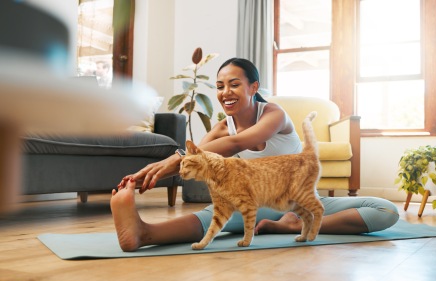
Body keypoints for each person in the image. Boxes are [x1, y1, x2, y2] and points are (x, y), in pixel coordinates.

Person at [110, 57, 399, 252]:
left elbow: (240, 143)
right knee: (213, 216)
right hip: (252, 202)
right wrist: (148, 174)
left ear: (253, 88)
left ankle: (293, 224)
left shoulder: (274, 114)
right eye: (220, 87)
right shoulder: (222, 127)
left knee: (386, 211)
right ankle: (143, 233)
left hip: (300, 200)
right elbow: (195, 159)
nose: (225, 93)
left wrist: (174, 158)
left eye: (234, 84)